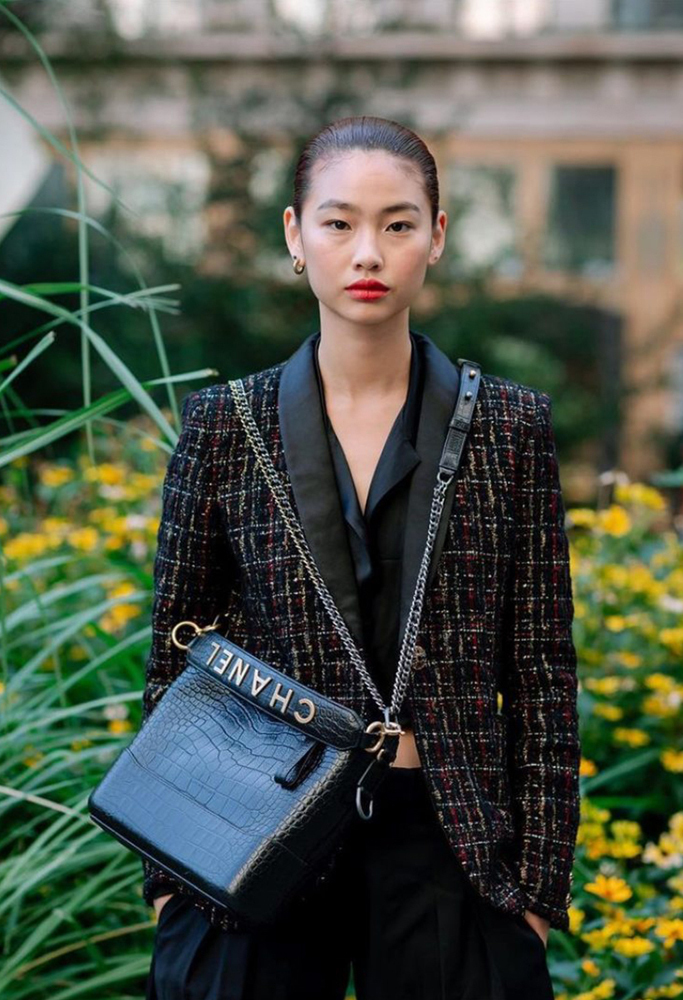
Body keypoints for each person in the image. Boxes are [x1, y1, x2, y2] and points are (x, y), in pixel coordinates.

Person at [143, 115, 581, 1000]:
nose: (367, 253)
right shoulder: (224, 427)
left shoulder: (509, 428)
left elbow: (538, 669)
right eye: (339, 222)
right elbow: (174, 653)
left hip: (447, 844)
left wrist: (534, 889)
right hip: (255, 827)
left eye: (397, 223)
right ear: (294, 235)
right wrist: (167, 881)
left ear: (437, 237)